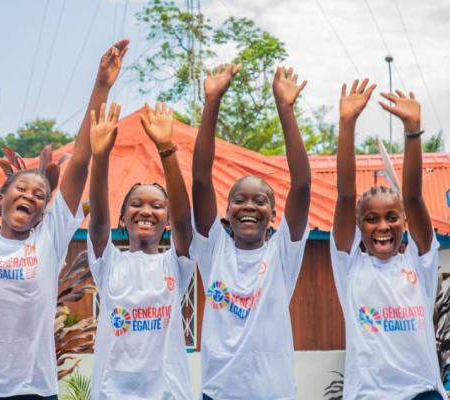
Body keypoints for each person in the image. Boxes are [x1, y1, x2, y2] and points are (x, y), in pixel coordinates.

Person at [0, 18, 127, 399]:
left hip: (33, 391)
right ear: (0, 196)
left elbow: (81, 160)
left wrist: (102, 85)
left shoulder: (49, 238)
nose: (32, 196)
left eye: (40, 195)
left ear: (43, 211)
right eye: (22, 188)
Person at [191, 65, 311, 399]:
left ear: (273, 215)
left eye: (260, 201)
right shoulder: (213, 250)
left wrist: (285, 109)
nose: (248, 206)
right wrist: (212, 101)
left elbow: (302, 184)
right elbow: (200, 179)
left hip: (274, 393)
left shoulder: (282, 253)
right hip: (219, 393)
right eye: (238, 200)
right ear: (226, 212)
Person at [331, 79, 447, 400]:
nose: (383, 226)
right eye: (371, 219)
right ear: (358, 226)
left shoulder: (419, 262)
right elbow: (344, 197)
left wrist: (413, 130)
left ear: (404, 222)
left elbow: (412, 197)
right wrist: (346, 125)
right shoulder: (349, 266)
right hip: (369, 395)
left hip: (422, 393)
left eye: (391, 217)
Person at [87, 102, 194, 399]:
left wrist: (166, 148)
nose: (145, 211)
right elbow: (97, 221)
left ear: (168, 220)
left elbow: (186, 221)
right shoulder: (108, 262)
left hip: (168, 393)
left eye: (157, 206)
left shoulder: (176, 263)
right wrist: (100, 156)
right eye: (136, 204)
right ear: (122, 217)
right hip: (112, 393)